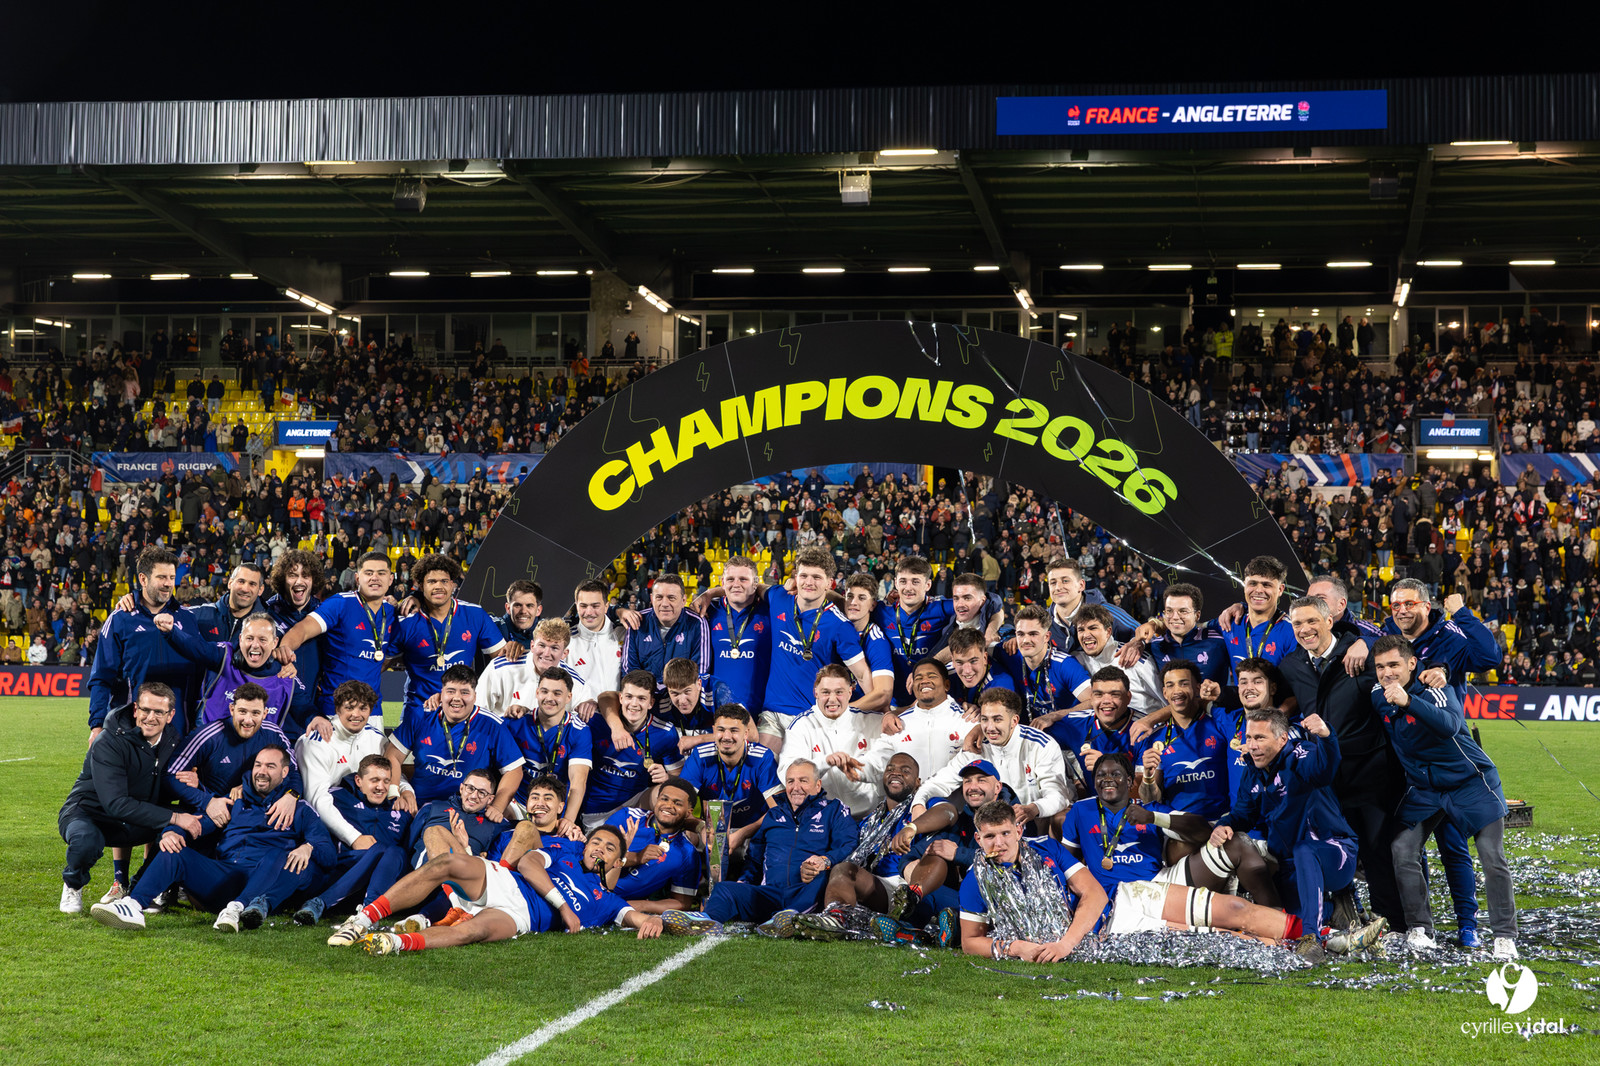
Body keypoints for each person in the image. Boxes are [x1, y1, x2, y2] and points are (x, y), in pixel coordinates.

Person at [1370, 636, 1518, 959]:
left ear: (1412, 664)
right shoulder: (1377, 696)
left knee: (1491, 854)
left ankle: (1505, 937)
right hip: (1424, 788)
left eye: (1394, 665)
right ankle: (1420, 928)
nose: (1386, 673)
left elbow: (1450, 725)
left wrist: (1408, 700)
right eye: (1380, 667)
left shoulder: (1437, 686)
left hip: (1471, 782)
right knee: (1402, 848)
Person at [90, 744, 337, 933]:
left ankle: (237, 910)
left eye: (270, 767)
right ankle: (133, 906)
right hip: (225, 877)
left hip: (265, 887)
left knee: (277, 854)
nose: (261, 772)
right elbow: (197, 824)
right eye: (258, 765)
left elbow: (329, 855)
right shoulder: (233, 802)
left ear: (285, 772)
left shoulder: (300, 810)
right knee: (175, 850)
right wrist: (172, 832)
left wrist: (308, 847)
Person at [328, 824, 664, 952]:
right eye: (596, 842)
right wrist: (562, 905)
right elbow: (529, 864)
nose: (598, 849)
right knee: (445, 863)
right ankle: (361, 921)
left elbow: (636, 915)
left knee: (472, 932)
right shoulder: (566, 855)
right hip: (504, 880)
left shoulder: (606, 900)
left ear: (620, 861)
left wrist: (654, 922)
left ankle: (394, 942)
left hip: (520, 916)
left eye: (608, 848)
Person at [1276, 594, 1401, 931]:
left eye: (1311, 621)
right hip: (1327, 778)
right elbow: (1262, 690)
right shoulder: (1291, 664)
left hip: (1370, 775)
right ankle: (1348, 920)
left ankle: (1394, 925)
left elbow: (1400, 654)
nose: (1305, 629)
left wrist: (1366, 641)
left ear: (1329, 621)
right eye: (1298, 623)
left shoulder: (1359, 654)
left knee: (1378, 852)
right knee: (1332, 847)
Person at [1211, 708, 1379, 949]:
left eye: (1260, 738)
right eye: (1249, 738)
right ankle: (1337, 909)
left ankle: (1311, 938)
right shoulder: (1252, 772)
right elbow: (1243, 815)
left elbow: (1323, 770)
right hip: (1290, 864)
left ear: (1282, 739)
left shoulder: (1300, 754)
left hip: (1335, 851)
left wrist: (1326, 737)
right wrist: (1223, 825)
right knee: (1288, 923)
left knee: (1305, 850)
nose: (1253, 745)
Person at [661, 760, 859, 935]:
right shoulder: (773, 815)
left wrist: (824, 861)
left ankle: (790, 918)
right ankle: (707, 920)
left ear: (818, 785)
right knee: (724, 889)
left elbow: (849, 844)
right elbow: (754, 857)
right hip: (771, 892)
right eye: (790, 781)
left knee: (824, 877)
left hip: (808, 889)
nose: (795, 787)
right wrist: (744, 880)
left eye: (803, 781)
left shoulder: (833, 809)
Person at [58, 683, 198, 912]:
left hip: (132, 817)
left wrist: (192, 779)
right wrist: (173, 817)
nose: (150, 717)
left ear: (171, 715)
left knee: (186, 824)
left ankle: (143, 887)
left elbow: (164, 781)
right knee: (86, 842)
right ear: (135, 710)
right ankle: (73, 884)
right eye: (145, 710)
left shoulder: (172, 739)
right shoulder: (109, 740)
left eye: (159, 712)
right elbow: (116, 804)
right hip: (89, 814)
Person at [796, 752, 930, 941]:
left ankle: (837, 922)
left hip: (903, 888)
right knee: (836, 870)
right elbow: (848, 848)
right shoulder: (869, 820)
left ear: (918, 782)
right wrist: (820, 862)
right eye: (890, 769)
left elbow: (946, 812)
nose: (896, 773)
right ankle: (820, 918)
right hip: (872, 883)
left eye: (905, 771)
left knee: (843, 870)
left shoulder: (924, 808)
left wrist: (912, 827)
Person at [958, 799, 1107, 962]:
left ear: (1019, 831)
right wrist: (1015, 948)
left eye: (1005, 833)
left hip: (1087, 932)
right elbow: (969, 942)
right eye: (990, 836)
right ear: (978, 839)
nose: (999, 843)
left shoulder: (1048, 847)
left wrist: (1065, 944)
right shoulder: (974, 879)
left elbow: (1096, 893)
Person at [753, 547, 873, 748]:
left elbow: (862, 675)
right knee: (766, 769)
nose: (809, 582)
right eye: (804, 575)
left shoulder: (839, 625)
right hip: (772, 713)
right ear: (796, 577)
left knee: (804, 778)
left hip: (811, 718)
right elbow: (752, 586)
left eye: (817, 577)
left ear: (829, 583)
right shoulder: (778, 597)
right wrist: (710, 593)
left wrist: (878, 712)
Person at [913, 687, 1073, 835]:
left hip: (1038, 827)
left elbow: (1058, 795)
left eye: (997, 720)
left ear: (1014, 721)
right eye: (984, 719)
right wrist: (918, 804)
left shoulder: (1041, 745)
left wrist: (1033, 808)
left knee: (1062, 817)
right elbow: (938, 782)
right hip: (992, 832)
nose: (989, 728)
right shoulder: (976, 747)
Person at [88, 547, 204, 741]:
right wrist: (97, 725)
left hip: (178, 729)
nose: (168, 584)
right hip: (130, 728)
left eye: (171, 577)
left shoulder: (188, 618)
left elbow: (200, 676)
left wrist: (195, 724)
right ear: (143, 579)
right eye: (161, 577)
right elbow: (102, 676)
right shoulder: (120, 619)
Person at [384, 664, 524, 817]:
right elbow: (392, 756)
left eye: (465, 692)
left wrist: (498, 806)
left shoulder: (492, 725)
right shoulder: (420, 716)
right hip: (418, 807)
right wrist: (395, 793)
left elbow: (514, 770)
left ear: (475, 696)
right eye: (450, 691)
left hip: (467, 811)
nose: (457, 698)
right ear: (441, 693)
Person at [278, 551, 397, 730]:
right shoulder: (340, 604)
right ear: (357, 578)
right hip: (334, 710)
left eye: (381, 573)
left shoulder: (393, 612)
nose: (375, 578)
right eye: (368, 573)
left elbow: (387, 659)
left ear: (391, 579)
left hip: (373, 713)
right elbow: (302, 630)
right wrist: (284, 651)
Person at [291, 754, 412, 927]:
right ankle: (367, 913)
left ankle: (355, 908)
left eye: (386, 781)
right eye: (374, 780)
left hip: (382, 882)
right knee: (381, 849)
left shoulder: (401, 810)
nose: (381, 787)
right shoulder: (338, 799)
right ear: (358, 780)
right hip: (343, 873)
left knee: (395, 851)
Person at [389, 553, 513, 721]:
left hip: (460, 711)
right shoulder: (405, 622)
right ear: (420, 586)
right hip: (418, 712)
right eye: (432, 582)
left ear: (453, 584)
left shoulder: (475, 614)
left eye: (444, 581)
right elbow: (380, 664)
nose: (439, 586)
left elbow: (502, 662)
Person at [168, 684, 303, 831]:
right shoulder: (209, 736)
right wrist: (207, 801)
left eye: (255, 713)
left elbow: (293, 770)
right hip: (213, 814)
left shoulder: (273, 734)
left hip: (256, 815)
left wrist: (292, 795)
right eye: (242, 711)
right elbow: (169, 774)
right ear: (232, 709)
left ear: (265, 714)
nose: (248, 720)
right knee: (173, 842)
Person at [155, 612, 301, 732]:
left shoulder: (285, 675)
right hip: (210, 741)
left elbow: (305, 708)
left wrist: (317, 719)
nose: (255, 645)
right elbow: (196, 647)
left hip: (257, 751)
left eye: (263, 639)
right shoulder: (224, 655)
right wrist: (172, 632)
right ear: (241, 639)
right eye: (249, 638)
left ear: (275, 643)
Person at [1134, 661, 1233, 825]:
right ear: (1164, 693)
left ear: (1197, 688)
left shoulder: (1219, 726)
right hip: (1178, 827)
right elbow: (1150, 800)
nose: (1177, 691)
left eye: (1184, 684)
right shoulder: (1154, 739)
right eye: (1170, 686)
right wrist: (1148, 777)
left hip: (1222, 822)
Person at [584, 669, 685, 828]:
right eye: (629, 697)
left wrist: (666, 778)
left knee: (666, 792)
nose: (634, 704)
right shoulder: (596, 720)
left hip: (636, 802)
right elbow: (604, 696)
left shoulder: (665, 732)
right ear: (621, 697)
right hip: (595, 808)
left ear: (651, 703)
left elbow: (680, 780)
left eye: (641, 698)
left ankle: (673, 843)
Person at [779, 664, 883, 816]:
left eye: (839, 692)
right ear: (816, 693)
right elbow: (786, 773)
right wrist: (825, 762)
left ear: (850, 692)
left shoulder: (873, 721)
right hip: (822, 820)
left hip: (869, 815)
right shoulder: (801, 726)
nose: (832, 699)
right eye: (826, 692)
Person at [295, 681, 390, 847]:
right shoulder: (316, 742)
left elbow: (393, 774)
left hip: (365, 815)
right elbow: (317, 799)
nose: (356, 714)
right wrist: (354, 837)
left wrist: (405, 790)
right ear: (337, 709)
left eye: (363, 708)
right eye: (349, 708)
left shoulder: (377, 739)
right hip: (324, 824)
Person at [852, 658, 968, 794]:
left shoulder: (966, 720)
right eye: (918, 678)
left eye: (932, 676)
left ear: (946, 685)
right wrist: (852, 768)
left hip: (955, 810)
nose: (924, 680)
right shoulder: (899, 723)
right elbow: (876, 760)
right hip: (909, 811)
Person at [679, 704, 782, 857]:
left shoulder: (762, 757)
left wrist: (742, 833)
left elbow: (778, 809)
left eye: (734, 731)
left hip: (751, 830)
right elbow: (678, 802)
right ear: (714, 731)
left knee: (779, 830)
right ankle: (695, 876)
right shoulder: (700, 756)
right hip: (711, 828)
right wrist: (700, 827)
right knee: (681, 830)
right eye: (721, 730)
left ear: (746, 733)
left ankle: (751, 877)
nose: (726, 737)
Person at [502, 668, 591, 828]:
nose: (549, 698)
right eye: (544, 691)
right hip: (517, 801)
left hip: (553, 807)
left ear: (568, 697)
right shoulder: (516, 721)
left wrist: (568, 821)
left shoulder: (579, 730)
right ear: (537, 692)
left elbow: (578, 781)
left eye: (557, 693)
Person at [605, 776, 703, 913]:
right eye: (664, 799)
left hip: (613, 903)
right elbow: (596, 860)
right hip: (585, 882)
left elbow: (682, 903)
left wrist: (640, 906)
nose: (668, 806)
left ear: (689, 813)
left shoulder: (687, 854)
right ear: (657, 800)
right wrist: (636, 857)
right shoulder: (627, 817)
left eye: (678, 803)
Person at [872, 556, 955, 705]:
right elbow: (844, 603)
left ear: (928, 585)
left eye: (915, 581)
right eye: (903, 581)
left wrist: (991, 631)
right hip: (892, 700)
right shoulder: (882, 610)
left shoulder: (940, 607)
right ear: (896, 583)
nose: (908, 588)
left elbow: (988, 602)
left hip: (930, 700)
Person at [263, 550, 331, 734]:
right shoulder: (265, 613)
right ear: (282, 580)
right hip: (272, 720)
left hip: (312, 718)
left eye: (305, 575)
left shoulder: (325, 614)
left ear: (314, 580)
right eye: (292, 575)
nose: (299, 581)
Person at [476, 619, 597, 720]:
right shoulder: (500, 668)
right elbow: (477, 712)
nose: (546, 653)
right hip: (502, 739)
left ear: (564, 653)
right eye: (542, 645)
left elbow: (586, 710)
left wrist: (590, 704)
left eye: (554, 648)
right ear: (532, 646)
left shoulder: (575, 683)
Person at [990, 605, 1092, 723]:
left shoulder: (1064, 664)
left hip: (1066, 733)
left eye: (1033, 634)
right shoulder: (1010, 653)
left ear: (1047, 637)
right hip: (1028, 731)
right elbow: (978, 649)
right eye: (1021, 634)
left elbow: (1094, 701)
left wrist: (1055, 716)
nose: (1026, 640)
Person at [1042, 666, 1140, 785]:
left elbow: (1146, 793)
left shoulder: (1145, 730)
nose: (1106, 701)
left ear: (1128, 697)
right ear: (1092, 698)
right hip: (1091, 802)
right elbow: (1028, 740)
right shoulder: (1076, 723)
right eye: (1099, 694)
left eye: (1114, 694)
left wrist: (1106, 766)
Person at [702, 556, 773, 717]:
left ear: (756, 583)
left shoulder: (771, 611)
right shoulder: (708, 611)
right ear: (722, 582)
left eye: (743, 579)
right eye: (731, 579)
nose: (736, 584)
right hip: (718, 714)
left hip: (761, 713)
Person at [621, 574, 711, 697]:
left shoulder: (697, 623)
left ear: (683, 600)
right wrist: (652, 693)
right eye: (659, 597)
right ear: (652, 599)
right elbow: (629, 670)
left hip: (680, 701)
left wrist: (672, 694)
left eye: (671, 598)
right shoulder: (638, 621)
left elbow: (701, 670)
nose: (664, 603)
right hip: (646, 699)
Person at [1064, 606, 1163, 717]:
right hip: (1107, 730)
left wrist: (1149, 722)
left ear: (1108, 631)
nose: (1086, 635)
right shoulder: (1077, 660)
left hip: (1149, 729)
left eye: (1093, 628)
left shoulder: (1136, 658)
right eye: (1081, 630)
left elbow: (1168, 703)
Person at [1042, 556, 1138, 658]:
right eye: (1053, 582)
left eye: (1065, 581)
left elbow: (1144, 635)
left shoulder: (1108, 613)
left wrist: (1138, 642)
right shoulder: (1042, 621)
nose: (1058, 587)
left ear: (1081, 585)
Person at [1144, 582, 1232, 687]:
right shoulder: (1154, 646)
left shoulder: (1219, 641)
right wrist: (1135, 643)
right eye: (1169, 611)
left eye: (1183, 611)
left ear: (1197, 615)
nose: (1175, 617)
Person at [186, 563, 267, 647]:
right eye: (241, 581)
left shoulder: (268, 626)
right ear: (230, 583)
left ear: (260, 590)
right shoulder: (200, 614)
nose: (245, 589)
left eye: (252, 584)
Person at [567, 578, 623, 696]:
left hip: (618, 713)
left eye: (595, 606)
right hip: (582, 714)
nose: (589, 612)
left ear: (606, 606)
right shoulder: (565, 642)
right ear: (576, 606)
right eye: (583, 606)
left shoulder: (623, 636)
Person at [944, 627, 1015, 710]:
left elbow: (998, 719)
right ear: (952, 661)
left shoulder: (1001, 684)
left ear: (985, 658)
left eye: (973, 661)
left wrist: (980, 715)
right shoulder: (945, 675)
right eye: (959, 662)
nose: (967, 671)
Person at [492, 578, 543, 649]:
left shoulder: (549, 631)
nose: (523, 611)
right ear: (508, 608)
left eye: (529, 606)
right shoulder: (495, 628)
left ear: (538, 610)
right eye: (518, 605)